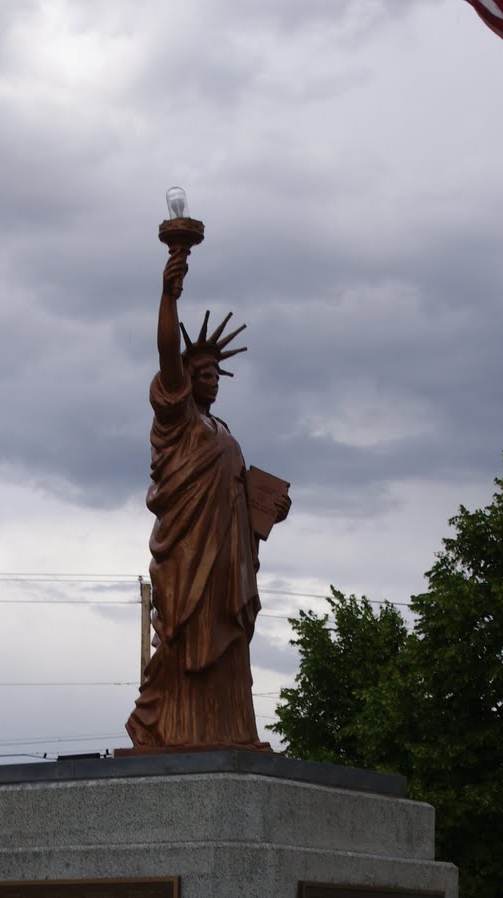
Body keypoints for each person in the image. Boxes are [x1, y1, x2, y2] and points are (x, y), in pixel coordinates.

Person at [124, 245, 289, 750]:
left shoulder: (222, 430)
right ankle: (168, 728)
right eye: (202, 375)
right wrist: (169, 294)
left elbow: (236, 491)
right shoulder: (179, 420)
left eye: (216, 375)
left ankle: (230, 731)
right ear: (186, 381)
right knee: (186, 638)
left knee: (229, 641)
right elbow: (165, 355)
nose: (211, 381)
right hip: (190, 558)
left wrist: (266, 511)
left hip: (229, 559)